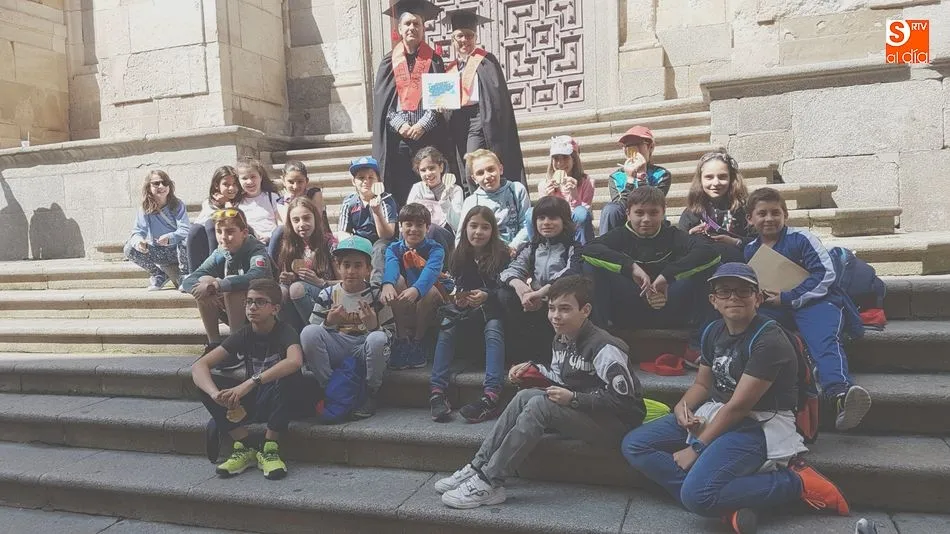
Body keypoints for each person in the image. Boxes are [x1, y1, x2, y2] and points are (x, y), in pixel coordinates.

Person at [621, 263, 850, 533]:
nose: (734, 297)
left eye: (744, 291)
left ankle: (794, 483)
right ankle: (727, 503)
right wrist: (682, 408)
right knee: (635, 444)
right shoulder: (713, 331)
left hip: (759, 424)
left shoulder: (769, 340)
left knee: (697, 496)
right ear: (713, 301)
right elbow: (702, 384)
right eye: (725, 291)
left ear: (759, 298)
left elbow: (740, 406)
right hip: (717, 412)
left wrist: (696, 449)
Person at [437, 275, 646, 509]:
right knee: (525, 396)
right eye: (552, 308)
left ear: (585, 310)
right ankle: (478, 466)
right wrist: (531, 370)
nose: (556, 316)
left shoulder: (605, 347)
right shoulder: (561, 337)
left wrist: (575, 399)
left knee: (539, 405)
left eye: (565, 309)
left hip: (616, 426)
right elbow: (559, 377)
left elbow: (626, 403)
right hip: (587, 413)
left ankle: (489, 482)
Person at [744, 187, 871, 431]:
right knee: (757, 330)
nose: (769, 218)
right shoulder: (750, 249)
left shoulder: (801, 238)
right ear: (750, 218)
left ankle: (839, 396)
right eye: (762, 213)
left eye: (775, 213)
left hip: (817, 301)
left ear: (785, 215)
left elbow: (825, 274)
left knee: (823, 340)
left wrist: (790, 297)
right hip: (777, 307)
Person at [192, 279, 315, 480]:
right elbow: (199, 366)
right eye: (249, 302)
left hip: (283, 399)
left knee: (289, 375)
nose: (252, 307)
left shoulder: (285, 331)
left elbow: (295, 361)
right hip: (257, 399)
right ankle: (246, 446)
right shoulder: (245, 333)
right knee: (204, 383)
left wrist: (250, 383)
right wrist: (216, 395)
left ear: (275, 309)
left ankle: (270, 447)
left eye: (259, 302)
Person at [582, 186, 720, 365]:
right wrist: (631, 267)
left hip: (671, 306)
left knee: (710, 267)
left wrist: (667, 276)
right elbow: (589, 250)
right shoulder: (619, 235)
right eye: (639, 213)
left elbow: (710, 253)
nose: (646, 219)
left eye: (653, 212)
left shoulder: (673, 235)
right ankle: (601, 343)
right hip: (630, 308)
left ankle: (698, 345)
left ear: (663, 213)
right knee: (592, 265)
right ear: (628, 213)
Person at [429, 206, 511, 423]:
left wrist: (486, 295)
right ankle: (437, 391)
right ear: (465, 228)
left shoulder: (502, 254)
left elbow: (506, 292)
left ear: (493, 231)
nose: (478, 232)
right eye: (473, 226)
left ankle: (492, 395)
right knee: (447, 323)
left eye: (485, 227)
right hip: (467, 316)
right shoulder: (458, 255)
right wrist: (461, 299)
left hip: (493, 314)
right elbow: (457, 288)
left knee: (494, 327)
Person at [300, 235, 395, 419]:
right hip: (338, 344)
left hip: (364, 346)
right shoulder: (328, 294)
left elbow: (391, 336)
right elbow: (312, 333)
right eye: (346, 265)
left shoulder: (376, 295)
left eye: (358, 265)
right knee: (308, 333)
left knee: (378, 339)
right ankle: (331, 387)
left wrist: (374, 326)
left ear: (368, 269)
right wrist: (328, 323)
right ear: (338, 267)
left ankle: (371, 391)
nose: (351, 271)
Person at [372, 0, 455, 205]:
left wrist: (421, 124)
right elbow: (383, 105)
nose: (412, 28)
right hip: (399, 139)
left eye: (416, 24)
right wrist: (401, 125)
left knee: (429, 186)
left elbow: (441, 102)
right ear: (399, 28)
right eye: (407, 24)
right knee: (401, 187)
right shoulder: (387, 62)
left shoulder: (435, 60)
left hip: (427, 136)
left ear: (423, 28)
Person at [441, 7, 525, 191]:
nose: (465, 40)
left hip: (479, 117)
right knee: (460, 161)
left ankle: (479, 200)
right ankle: (469, 200)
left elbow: (495, 95)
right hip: (457, 119)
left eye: (469, 36)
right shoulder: (449, 68)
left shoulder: (486, 61)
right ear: (453, 39)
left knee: (471, 158)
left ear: (476, 38)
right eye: (460, 36)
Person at [181, 208, 274, 364]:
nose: (223, 237)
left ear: (244, 232)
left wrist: (217, 285)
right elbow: (191, 278)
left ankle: (236, 347)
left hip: (264, 312)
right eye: (219, 231)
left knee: (231, 282)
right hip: (238, 311)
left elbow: (256, 275)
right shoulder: (221, 251)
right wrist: (203, 287)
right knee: (204, 280)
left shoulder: (256, 249)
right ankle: (214, 344)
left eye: (230, 231)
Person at [499, 196, 581, 365]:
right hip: (533, 302)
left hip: (558, 301)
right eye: (541, 218)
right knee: (504, 294)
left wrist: (540, 294)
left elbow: (570, 274)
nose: (546, 222)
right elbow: (509, 271)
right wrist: (523, 291)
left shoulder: (573, 247)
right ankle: (519, 356)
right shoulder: (532, 247)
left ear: (564, 221)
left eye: (553, 218)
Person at [380, 203, 449, 370]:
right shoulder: (394, 248)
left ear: (427, 227)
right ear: (400, 226)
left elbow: (431, 273)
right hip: (405, 304)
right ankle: (403, 340)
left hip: (430, 303)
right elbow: (391, 267)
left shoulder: (435, 248)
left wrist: (417, 289)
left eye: (419, 225)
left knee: (430, 290)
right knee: (395, 282)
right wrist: (387, 284)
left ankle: (418, 342)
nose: (413, 229)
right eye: (408, 224)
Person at [678, 150, 753, 264]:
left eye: (722, 177)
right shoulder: (692, 212)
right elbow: (679, 249)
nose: (716, 182)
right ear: (700, 180)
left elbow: (761, 242)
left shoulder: (745, 209)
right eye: (709, 177)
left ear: (731, 178)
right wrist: (691, 237)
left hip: (738, 268)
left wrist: (736, 242)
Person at [124, 170, 190, 290]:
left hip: (177, 250)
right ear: (149, 187)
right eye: (156, 183)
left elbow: (185, 229)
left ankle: (184, 275)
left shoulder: (177, 204)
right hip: (158, 250)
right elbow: (137, 231)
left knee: (186, 240)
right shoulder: (145, 208)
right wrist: (139, 242)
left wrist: (170, 237)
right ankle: (159, 274)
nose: (161, 186)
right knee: (129, 248)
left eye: (165, 183)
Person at [600, 126, 672, 235]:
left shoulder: (662, 174)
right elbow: (619, 206)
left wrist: (641, 176)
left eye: (638, 144)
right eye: (628, 146)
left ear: (650, 147)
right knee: (610, 209)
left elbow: (653, 202)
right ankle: (605, 249)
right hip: (625, 219)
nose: (634, 150)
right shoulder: (616, 176)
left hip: (651, 219)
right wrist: (629, 180)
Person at [337, 156, 398, 285]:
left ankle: (375, 285)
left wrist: (377, 212)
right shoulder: (349, 202)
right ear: (353, 181)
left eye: (371, 177)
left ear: (378, 181)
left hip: (382, 242)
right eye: (361, 178)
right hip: (359, 241)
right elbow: (342, 232)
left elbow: (387, 234)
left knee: (379, 247)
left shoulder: (386, 200)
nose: (366, 181)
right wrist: (353, 244)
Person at [457, 149, 530, 254]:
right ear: (474, 179)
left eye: (491, 169)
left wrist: (513, 247)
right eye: (480, 173)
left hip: (518, 250)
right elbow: (461, 235)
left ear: (500, 169)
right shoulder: (472, 201)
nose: (487, 176)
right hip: (488, 254)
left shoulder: (516, 189)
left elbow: (526, 224)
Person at [278, 197, 337, 327]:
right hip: (300, 297)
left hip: (329, 295)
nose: (301, 224)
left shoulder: (329, 243)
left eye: (306, 218)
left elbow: (346, 282)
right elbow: (287, 278)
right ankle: (290, 338)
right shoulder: (289, 245)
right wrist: (289, 277)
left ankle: (317, 332)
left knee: (297, 289)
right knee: (280, 292)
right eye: (296, 220)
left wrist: (320, 282)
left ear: (315, 218)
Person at [528, 135, 594, 245]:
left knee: (581, 212)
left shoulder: (587, 182)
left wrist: (575, 197)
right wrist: (548, 199)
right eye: (556, 158)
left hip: (574, 225)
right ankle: (535, 249)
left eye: (565, 157)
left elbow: (584, 215)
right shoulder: (544, 184)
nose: (560, 163)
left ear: (574, 159)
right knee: (530, 213)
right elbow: (544, 217)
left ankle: (583, 253)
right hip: (553, 225)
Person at [268, 160, 331, 260]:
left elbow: (316, 219)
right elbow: (288, 225)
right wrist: (289, 202)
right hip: (296, 238)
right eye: (291, 182)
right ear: (283, 181)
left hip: (317, 234)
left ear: (307, 181)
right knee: (279, 231)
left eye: (300, 182)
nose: (295, 186)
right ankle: (271, 264)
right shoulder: (281, 202)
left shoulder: (314, 194)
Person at [406, 146, 463, 253]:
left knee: (432, 229)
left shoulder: (455, 189)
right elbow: (407, 217)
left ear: (440, 167)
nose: (428, 173)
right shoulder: (417, 188)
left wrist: (445, 201)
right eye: (423, 170)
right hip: (420, 235)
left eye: (432, 168)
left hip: (446, 237)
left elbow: (457, 224)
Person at [186, 165, 243, 273]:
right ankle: (193, 274)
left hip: (234, 241)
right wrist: (219, 206)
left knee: (211, 223)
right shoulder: (209, 203)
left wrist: (227, 205)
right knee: (195, 229)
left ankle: (215, 271)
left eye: (234, 184)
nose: (231, 188)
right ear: (217, 186)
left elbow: (238, 221)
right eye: (226, 184)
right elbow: (199, 223)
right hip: (212, 243)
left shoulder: (241, 200)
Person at [236, 156, 282, 246]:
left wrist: (270, 238)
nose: (249, 181)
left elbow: (280, 223)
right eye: (244, 178)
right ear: (239, 180)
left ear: (260, 177)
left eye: (253, 177)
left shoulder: (271, 197)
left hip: (272, 241)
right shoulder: (238, 203)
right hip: (249, 243)